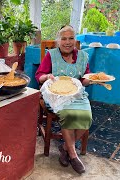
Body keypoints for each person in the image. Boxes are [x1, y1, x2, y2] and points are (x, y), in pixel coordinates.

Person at [35, 25, 92, 174]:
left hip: (77, 95)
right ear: (58, 41)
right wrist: (47, 76)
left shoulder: (83, 56)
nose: (68, 42)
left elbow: (85, 78)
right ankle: (73, 156)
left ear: (75, 40)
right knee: (68, 115)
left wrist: (92, 80)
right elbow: (39, 76)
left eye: (71, 38)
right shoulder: (51, 55)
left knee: (86, 118)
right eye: (64, 39)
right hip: (57, 96)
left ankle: (65, 147)